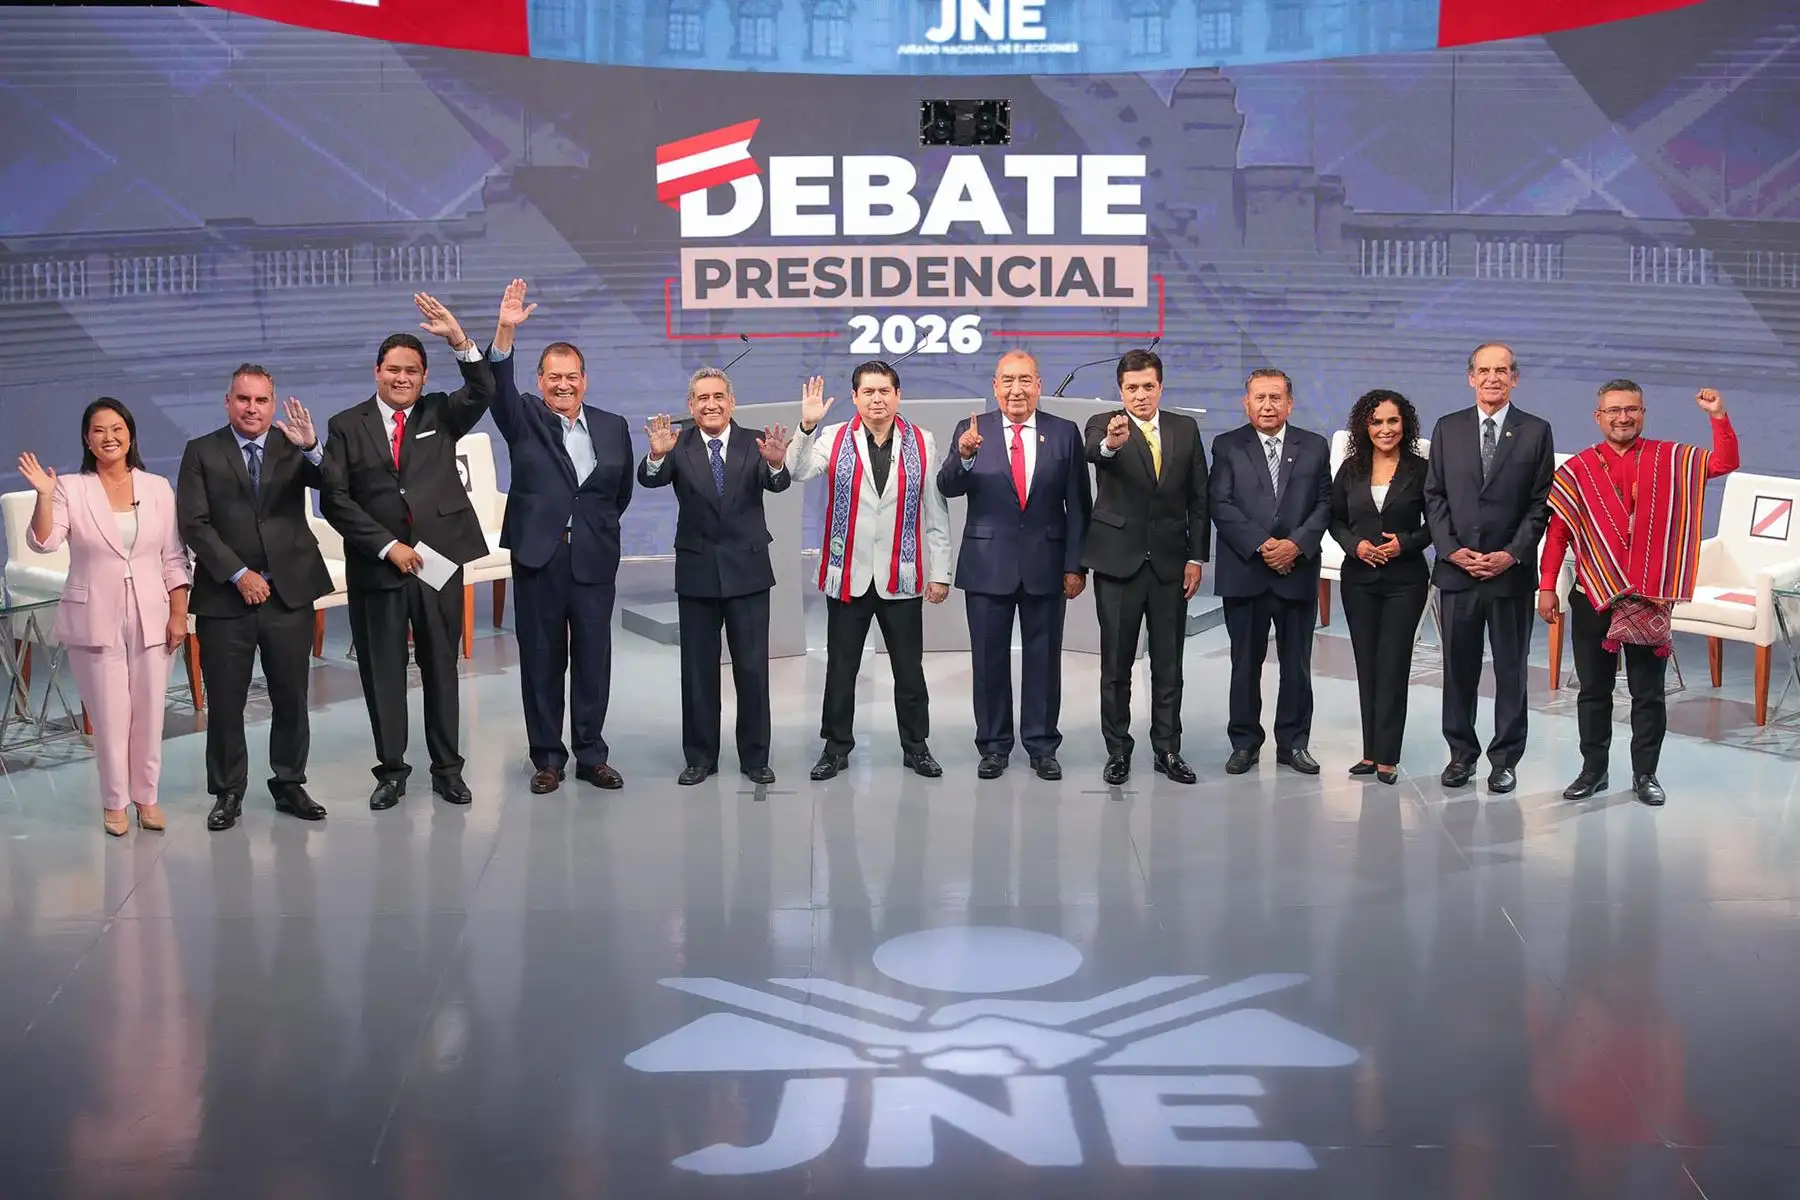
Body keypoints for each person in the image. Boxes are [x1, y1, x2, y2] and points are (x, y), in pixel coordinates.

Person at [320, 293, 494, 810]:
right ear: (377, 372)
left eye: (412, 371)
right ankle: (392, 770)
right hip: (379, 567)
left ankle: (447, 769)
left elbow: (484, 387)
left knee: (442, 663)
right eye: (393, 370)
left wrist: (458, 339)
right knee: (384, 670)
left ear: (422, 376)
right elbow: (335, 498)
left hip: (438, 561)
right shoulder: (346, 425)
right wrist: (386, 545)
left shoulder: (442, 412)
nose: (402, 379)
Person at [1537, 383, 1738, 807]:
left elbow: (1724, 462)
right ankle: (1593, 771)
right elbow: (1558, 534)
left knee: (1648, 694)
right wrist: (1547, 586)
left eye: (1630, 410)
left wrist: (1717, 416)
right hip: (1593, 594)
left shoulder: (1671, 459)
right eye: (1613, 411)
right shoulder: (1578, 470)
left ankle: (1645, 774)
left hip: (1649, 596)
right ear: (1598, 417)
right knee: (1593, 691)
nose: (1622, 418)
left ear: (1642, 412)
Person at [486, 280, 633, 793]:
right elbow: (497, 387)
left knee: (594, 662)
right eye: (554, 377)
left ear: (585, 381)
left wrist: (592, 529)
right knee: (542, 661)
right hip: (539, 559)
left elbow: (619, 493)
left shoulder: (613, 427)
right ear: (540, 379)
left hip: (593, 559)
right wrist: (506, 329)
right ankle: (547, 757)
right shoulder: (524, 417)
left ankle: (592, 754)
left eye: (572, 377)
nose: (563, 385)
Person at [19, 399, 189, 836]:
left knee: (150, 714)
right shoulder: (70, 488)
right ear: (86, 438)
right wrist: (43, 495)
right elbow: (44, 542)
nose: (109, 437)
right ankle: (115, 803)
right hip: (95, 616)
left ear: (130, 435)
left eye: (117, 428)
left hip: (152, 615)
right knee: (111, 718)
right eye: (99, 430)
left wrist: (178, 614)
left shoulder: (156, 488)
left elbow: (173, 557)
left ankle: (146, 798)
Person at [176, 367, 334, 830]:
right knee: (226, 701)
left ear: (273, 402)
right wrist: (239, 574)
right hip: (226, 599)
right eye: (243, 399)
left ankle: (289, 784)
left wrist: (312, 447)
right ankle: (228, 791)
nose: (251, 408)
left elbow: (335, 485)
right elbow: (195, 524)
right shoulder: (201, 452)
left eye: (261, 400)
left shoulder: (291, 445)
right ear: (228, 401)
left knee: (291, 695)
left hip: (288, 594)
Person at [786, 361, 952, 781]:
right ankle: (835, 747)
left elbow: (936, 508)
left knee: (909, 670)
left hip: (902, 573)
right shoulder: (833, 437)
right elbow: (796, 471)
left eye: (885, 391)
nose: (877, 399)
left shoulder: (923, 441)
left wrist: (941, 570)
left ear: (898, 395)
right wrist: (805, 427)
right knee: (841, 668)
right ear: (855, 397)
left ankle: (916, 746)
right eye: (868, 392)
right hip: (848, 574)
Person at [939, 350, 1092, 781]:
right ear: (994, 386)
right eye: (1007, 380)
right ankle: (993, 745)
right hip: (988, 564)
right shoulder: (972, 431)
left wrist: (1075, 564)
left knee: (1044, 659)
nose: (1016, 389)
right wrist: (964, 455)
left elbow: (1079, 504)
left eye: (1025, 380)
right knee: (988, 661)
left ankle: (1042, 745)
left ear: (1039, 385)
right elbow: (947, 486)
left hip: (1047, 563)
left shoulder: (1063, 433)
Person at [640, 370, 791, 785]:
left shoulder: (756, 441)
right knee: (699, 671)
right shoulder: (677, 443)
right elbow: (648, 478)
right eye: (702, 398)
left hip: (748, 572)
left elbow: (778, 483)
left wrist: (778, 464)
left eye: (718, 397)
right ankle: (700, 757)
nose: (711, 404)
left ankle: (755, 757)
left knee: (753, 670)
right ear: (691, 405)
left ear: (732, 401)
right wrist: (656, 456)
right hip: (697, 572)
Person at [1424, 342, 1556, 794]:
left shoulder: (1537, 432)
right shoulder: (1447, 428)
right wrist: (1450, 549)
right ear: (1471, 377)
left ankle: (1505, 759)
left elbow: (1541, 503)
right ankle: (1461, 755)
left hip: (1509, 574)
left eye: (1502, 371)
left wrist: (1512, 553)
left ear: (1514, 378)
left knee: (1511, 670)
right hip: (1458, 572)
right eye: (1484, 371)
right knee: (1457, 668)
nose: (1493, 378)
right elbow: (1434, 496)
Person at [1082, 347, 1209, 786]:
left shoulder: (1184, 428)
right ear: (1120, 390)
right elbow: (1096, 452)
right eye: (1132, 388)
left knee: (1168, 663)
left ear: (1160, 387)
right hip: (1118, 563)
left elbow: (1199, 498)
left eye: (1148, 387)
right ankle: (1117, 751)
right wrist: (1112, 444)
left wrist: (1196, 556)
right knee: (1116, 666)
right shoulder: (1104, 425)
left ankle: (1168, 749)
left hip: (1171, 565)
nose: (1140, 395)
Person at [1209, 369, 1332, 776]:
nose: (1267, 405)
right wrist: (1264, 545)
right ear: (1246, 404)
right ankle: (1244, 743)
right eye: (1259, 398)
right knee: (1245, 664)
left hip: (1296, 571)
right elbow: (1220, 504)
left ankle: (1294, 745)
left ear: (1290, 403)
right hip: (1247, 571)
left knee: (1297, 664)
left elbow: (1325, 504)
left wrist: (1295, 545)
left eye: (1276, 397)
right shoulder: (1227, 445)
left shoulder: (1314, 447)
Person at [1329, 389, 1432, 785]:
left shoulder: (1420, 470)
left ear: (1404, 424)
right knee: (1367, 665)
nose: (1385, 429)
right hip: (1359, 580)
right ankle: (1370, 752)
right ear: (1364, 426)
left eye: (1392, 421)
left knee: (1392, 665)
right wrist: (1354, 545)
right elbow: (1335, 520)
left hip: (1405, 582)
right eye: (1376, 422)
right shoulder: (1351, 469)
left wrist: (1403, 543)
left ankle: (1388, 757)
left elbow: (1435, 524)